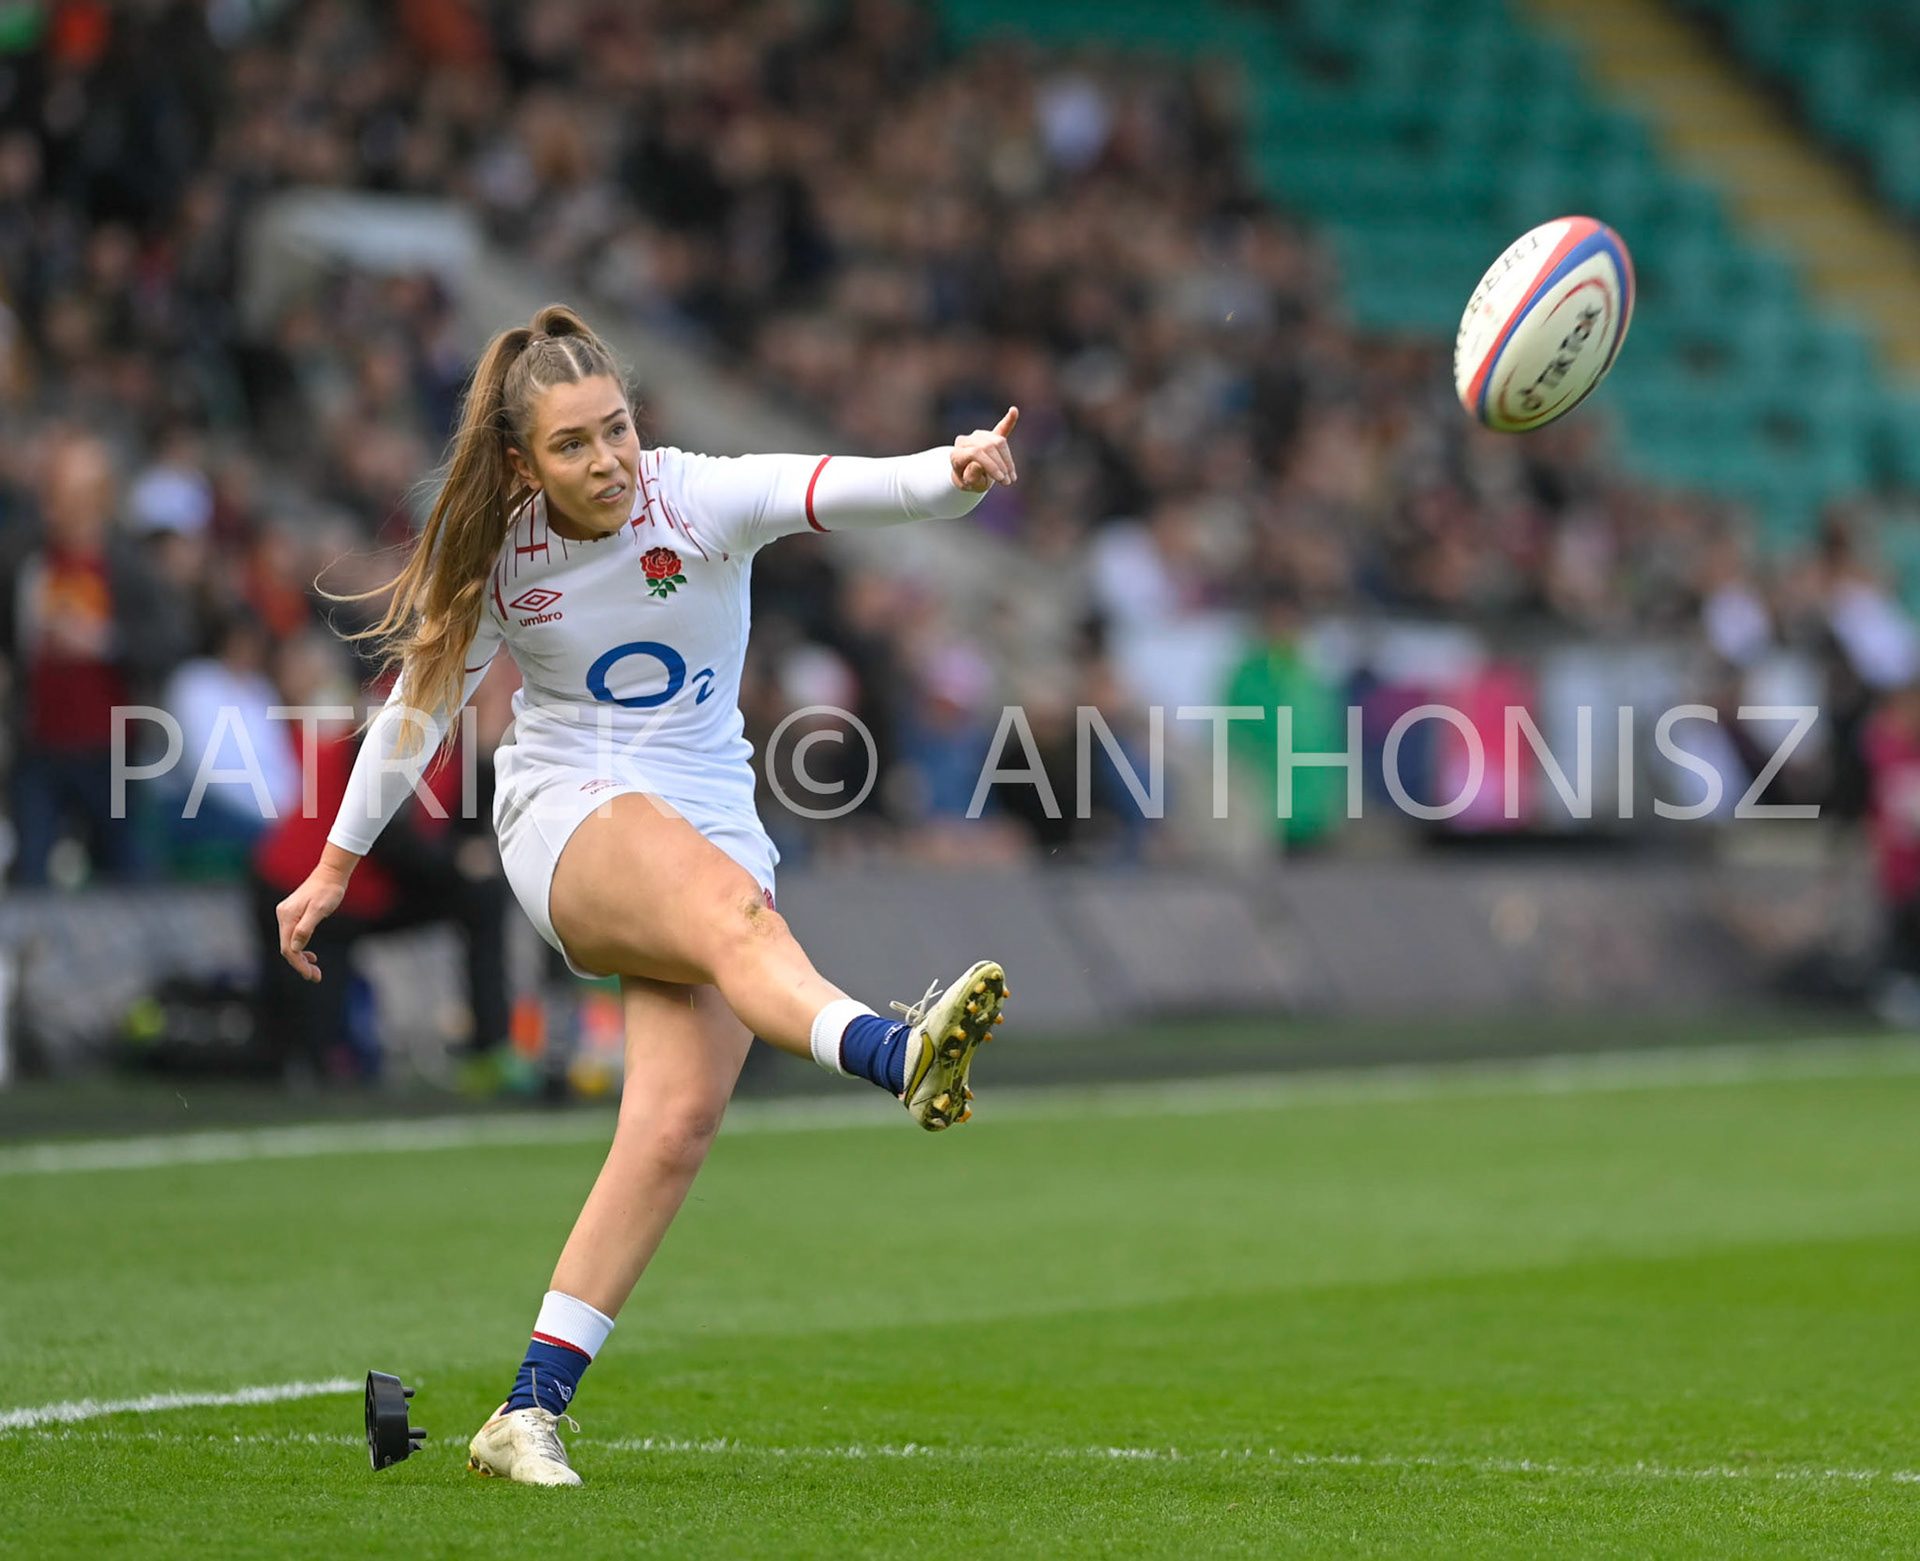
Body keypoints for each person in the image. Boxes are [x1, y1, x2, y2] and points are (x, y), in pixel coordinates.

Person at [272, 305, 1018, 1486]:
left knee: (672, 1129)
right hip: (569, 810)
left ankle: (525, 1412)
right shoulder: (502, 553)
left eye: (616, 429)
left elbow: (862, 487)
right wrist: (334, 864)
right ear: (523, 463)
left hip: (711, 813)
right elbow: (417, 712)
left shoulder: (698, 494)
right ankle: (893, 1048)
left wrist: (961, 470)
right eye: (573, 445)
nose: (608, 460)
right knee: (732, 919)